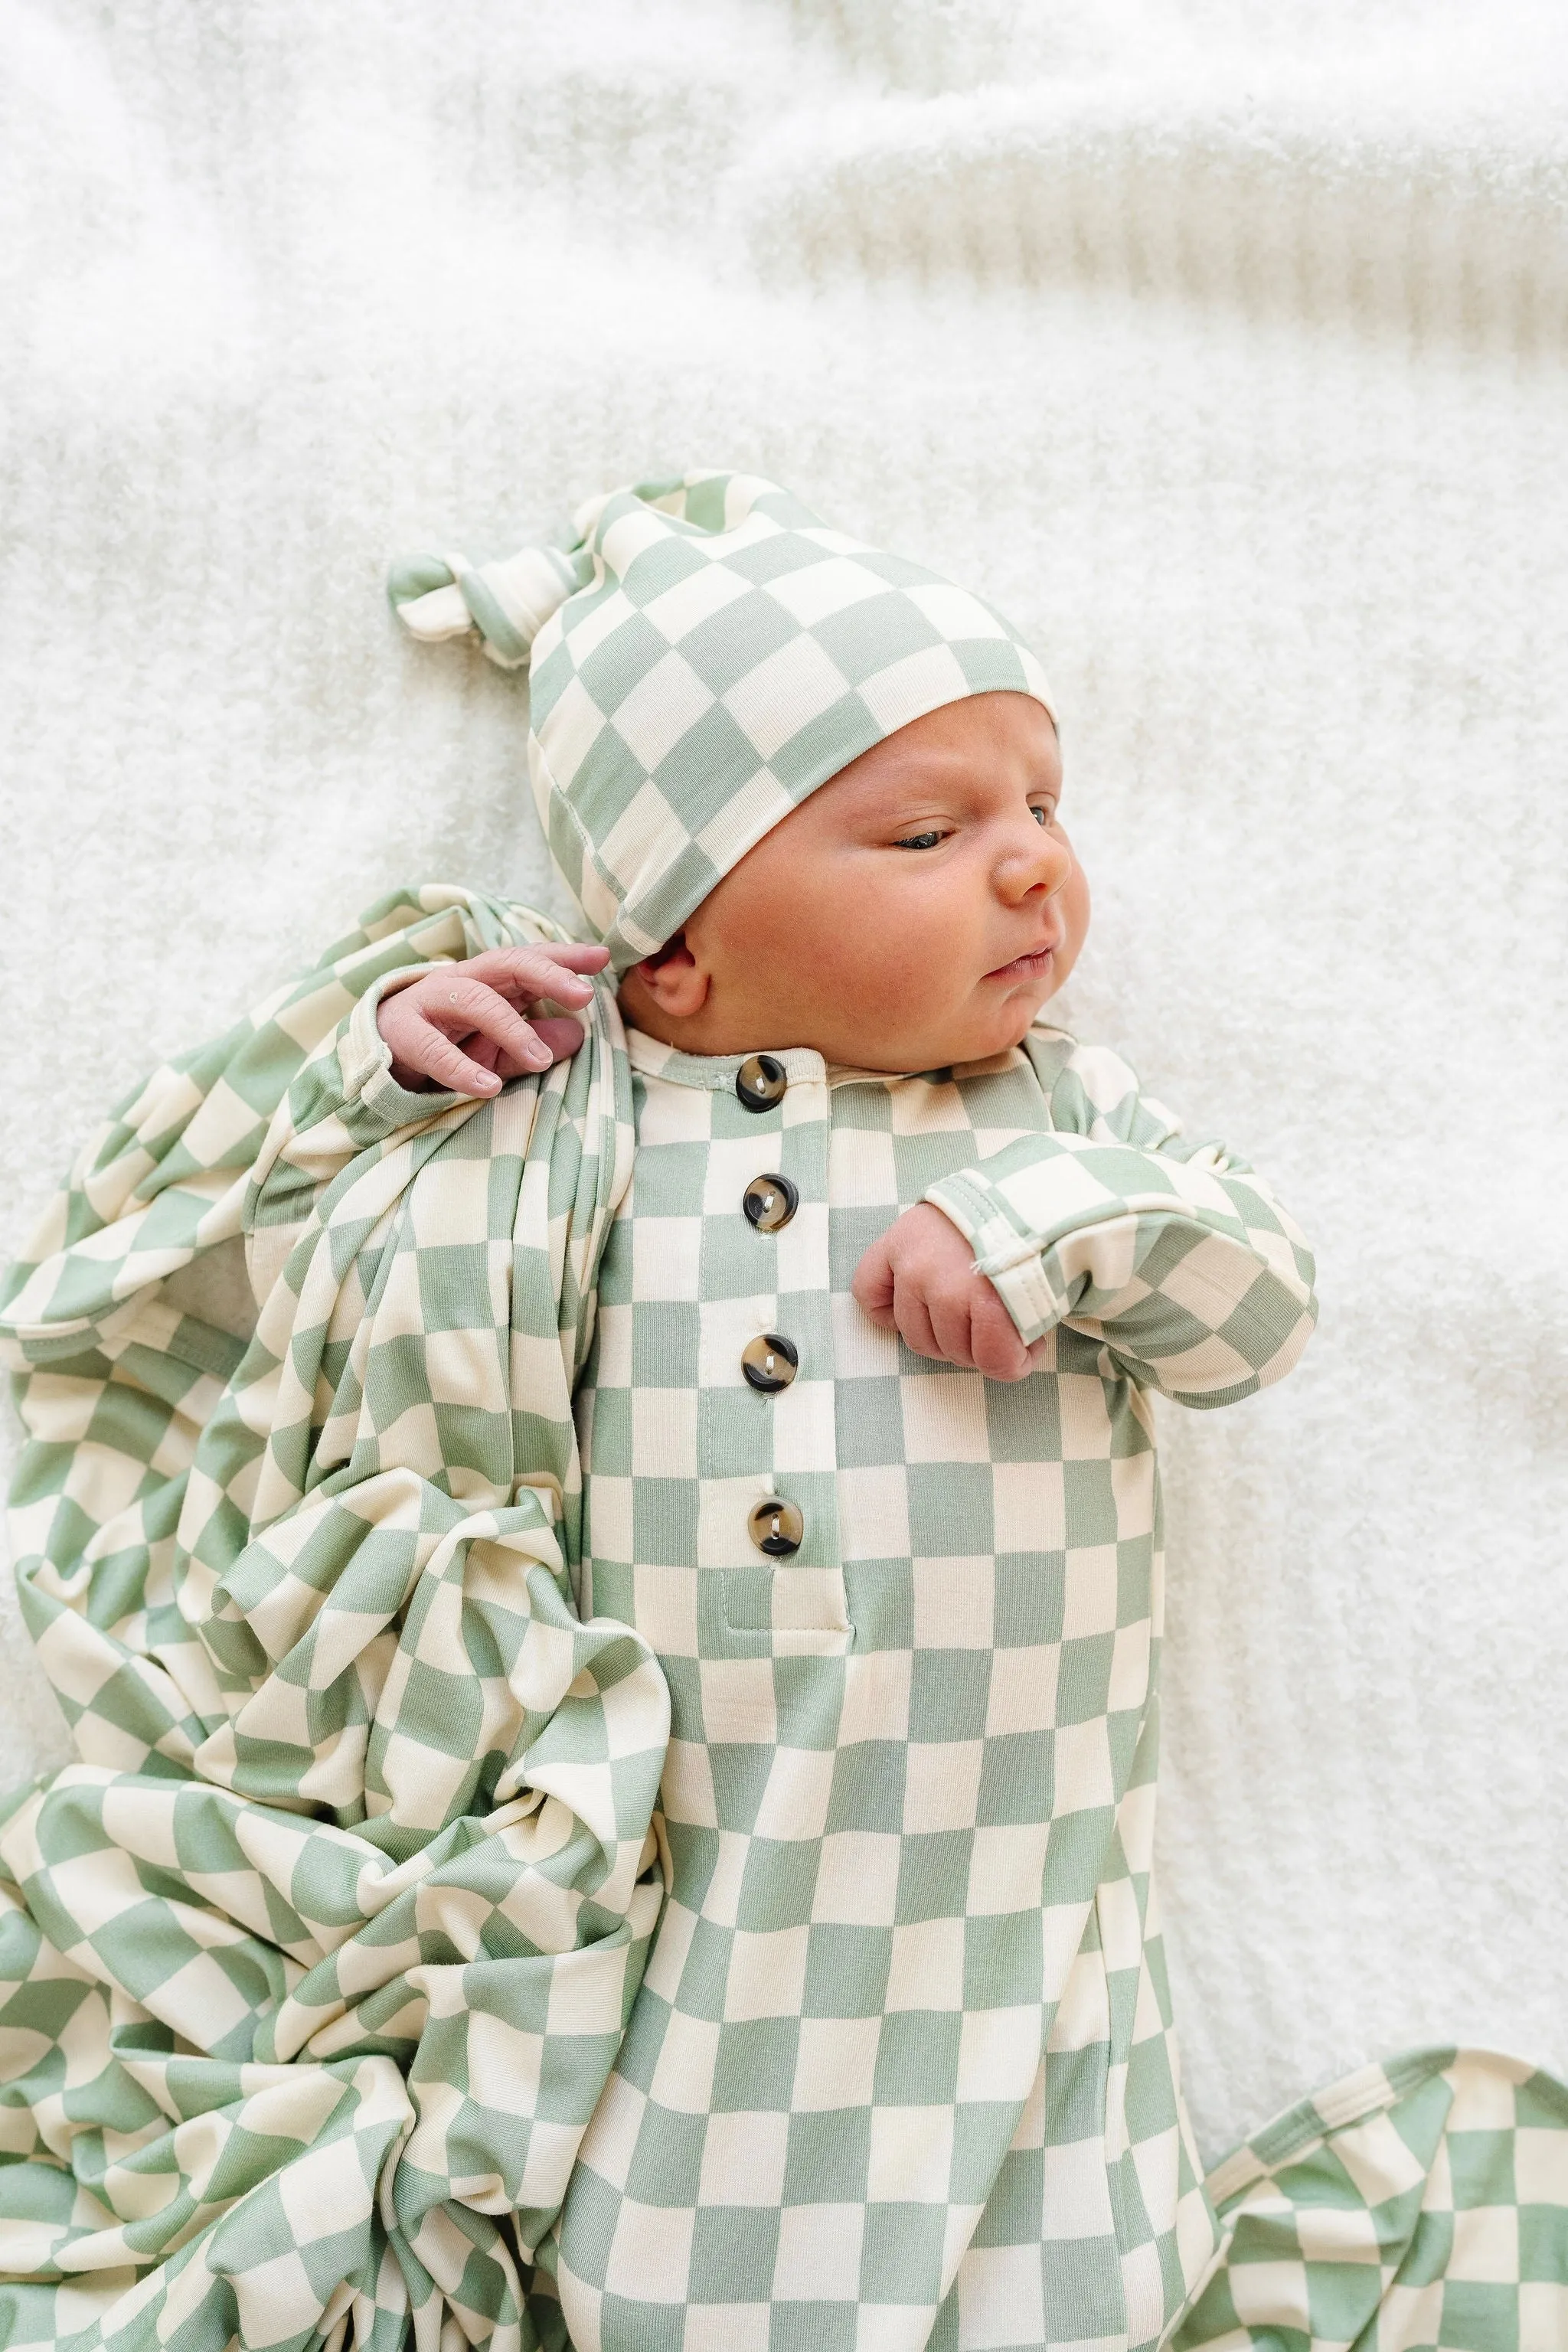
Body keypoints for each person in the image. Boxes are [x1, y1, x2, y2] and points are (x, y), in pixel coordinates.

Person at [1, 472, 1562, 2352]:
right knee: (658, 2269)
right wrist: (390, 1054)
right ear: (672, 949)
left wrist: (1052, 1229)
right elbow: (190, 1235)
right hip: (694, 1845)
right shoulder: (577, 1106)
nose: (1030, 867)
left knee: (1084, 2258)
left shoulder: (1062, 1123)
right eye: (927, 827)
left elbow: (1253, 1306)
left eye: (1043, 806)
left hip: (1010, 1851)